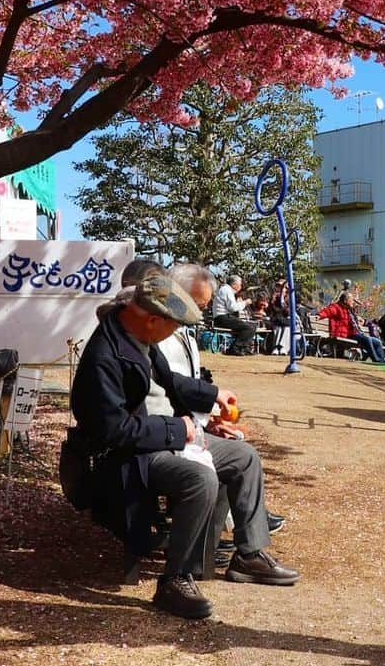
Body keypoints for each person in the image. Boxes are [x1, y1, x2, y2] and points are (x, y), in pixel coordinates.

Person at [71, 272, 298, 621]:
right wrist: (176, 429)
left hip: (164, 440)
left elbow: (171, 382)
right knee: (199, 480)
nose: (176, 333)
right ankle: (175, 578)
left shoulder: (140, 336)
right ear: (152, 319)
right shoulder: (104, 356)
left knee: (244, 457)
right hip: (130, 459)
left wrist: (212, 394)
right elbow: (112, 431)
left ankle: (248, 554)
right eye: (173, 326)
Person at [153, 262, 286, 535]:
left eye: (203, 306)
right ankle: (226, 533)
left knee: (240, 450)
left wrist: (208, 419)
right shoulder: (159, 335)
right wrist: (204, 418)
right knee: (228, 461)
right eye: (199, 305)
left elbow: (185, 383)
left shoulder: (183, 331)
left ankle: (247, 536)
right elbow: (171, 388)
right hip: (166, 434)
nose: (201, 314)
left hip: (183, 426)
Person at [318, 290, 385, 363]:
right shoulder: (336, 307)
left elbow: (355, 317)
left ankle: (381, 361)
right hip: (346, 335)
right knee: (367, 339)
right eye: (351, 300)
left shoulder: (349, 310)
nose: (353, 302)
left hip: (354, 333)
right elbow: (328, 311)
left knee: (378, 342)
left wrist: (361, 320)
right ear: (345, 301)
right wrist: (319, 315)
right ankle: (376, 360)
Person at [214, 274, 257, 355]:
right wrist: (245, 302)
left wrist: (239, 302)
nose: (241, 286)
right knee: (249, 328)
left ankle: (245, 347)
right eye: (240, 284)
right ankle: (235, 348)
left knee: (253, 326)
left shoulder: (225, 290)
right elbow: (233, 308)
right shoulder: (227, 290)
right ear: (234, 284)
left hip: (223, 317)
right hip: (222, 318)